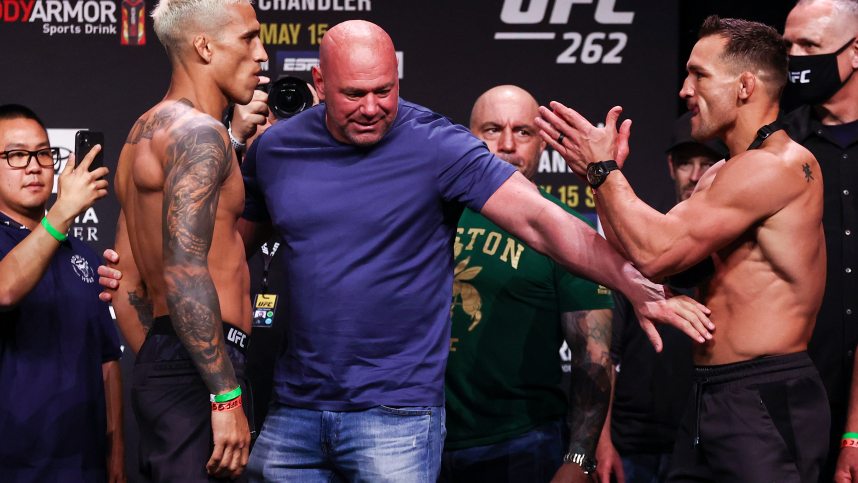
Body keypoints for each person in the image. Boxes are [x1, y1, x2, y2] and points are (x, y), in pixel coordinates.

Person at [238, 20, 712, 482]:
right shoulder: (277, 150)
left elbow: (542, 222)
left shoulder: (435, 144)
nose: (370, 108)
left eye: (384, 91)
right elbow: (231, 248)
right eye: (353, 95)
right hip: (295, 411)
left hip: (397, 415)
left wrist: (635, 283)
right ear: (320, 82)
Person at [539, 15, 829, 481]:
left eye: (699, 75)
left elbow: (656, 251)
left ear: (745, 86)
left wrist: (606, 174)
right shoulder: (720, 175)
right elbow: (647, 260)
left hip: (764, 396)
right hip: (710, 395)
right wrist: (600, 183)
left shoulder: (778, 166)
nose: (684, 90)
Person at [105, 0, 267, 480]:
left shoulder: (143, 132)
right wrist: (223, 392)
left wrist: (162, 359)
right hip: (206, 370)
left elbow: (126, 278)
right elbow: (183, 269)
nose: (262, 55)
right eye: (249, 37)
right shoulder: (201, 135)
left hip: (174, 357)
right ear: (203, 45)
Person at [439, 85, 614, 483]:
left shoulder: (568, 232)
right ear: (468, 137)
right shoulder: (429, 216)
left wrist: (578, 459)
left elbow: (594, 355)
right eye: (491, 129)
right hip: (418, 437)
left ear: (541, 144)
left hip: (521, 444)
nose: (506, 144)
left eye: (522, 132)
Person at [594, 113, 728, 483]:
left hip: (707, 440)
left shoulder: (736, 252)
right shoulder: (640, 245)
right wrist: (601, 443)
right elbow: (605, 354)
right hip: (633, 441)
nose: (695, 175)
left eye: (706, 163)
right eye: (686, 162)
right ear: (671, 166)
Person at [0, 104, 123, 482]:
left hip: (83, 468)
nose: (34, 166)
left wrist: (116, 460)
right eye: (16, 155)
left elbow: (107, 362)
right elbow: (4, 290)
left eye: (42, 153)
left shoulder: (82, 254)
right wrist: (61, 214)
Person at [780, 1, 858, 480]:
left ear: (855, 52)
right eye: (789, 45)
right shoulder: (778, 147)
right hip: (795, 395)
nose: (795, 58)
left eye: (810, 45)